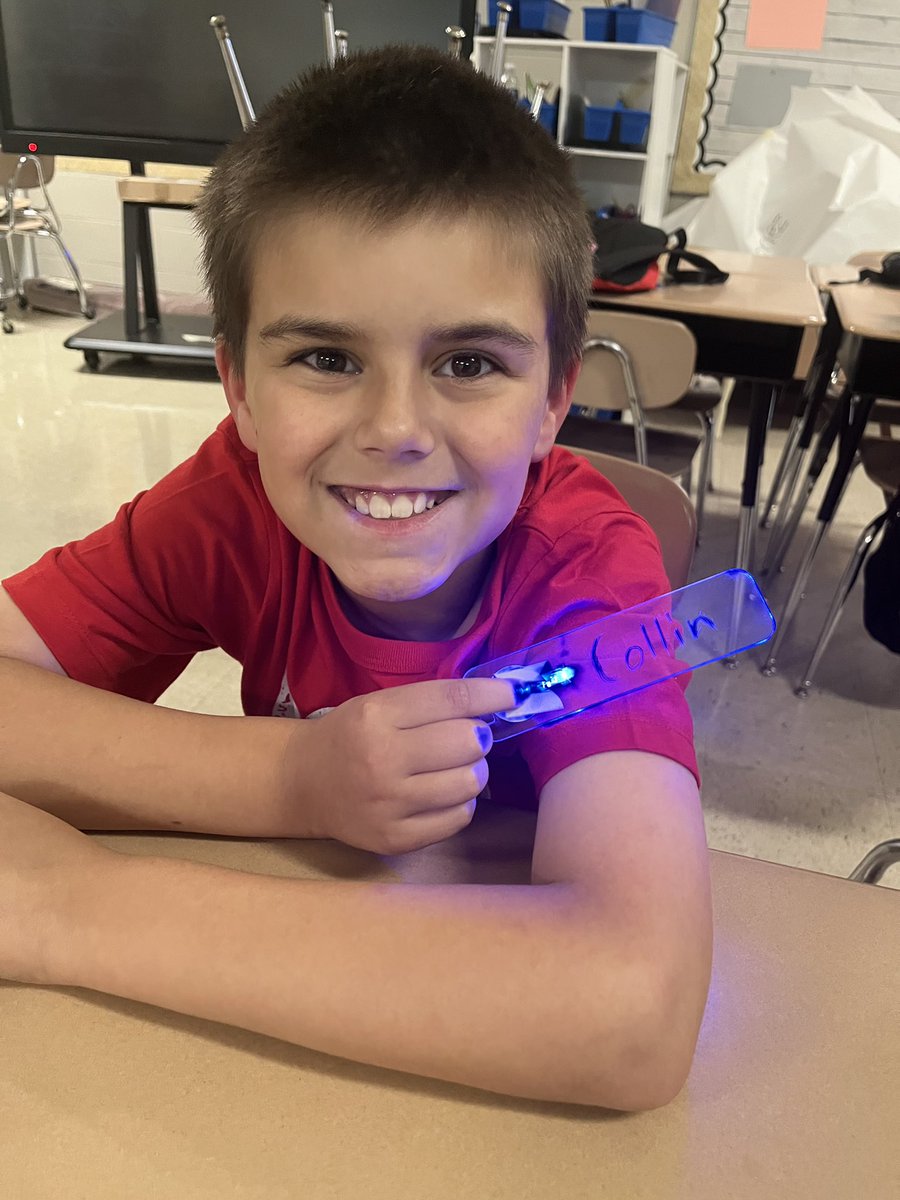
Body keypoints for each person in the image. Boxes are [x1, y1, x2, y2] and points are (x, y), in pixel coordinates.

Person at [0, 45, 711, 1110]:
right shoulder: (231, 504)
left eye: (469, 363)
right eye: (326, 359)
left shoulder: (587, 571)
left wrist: (66, 908)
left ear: (555, 400)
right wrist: (292, 779)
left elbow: (629, 1009)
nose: (392, 432)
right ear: (237, 387)